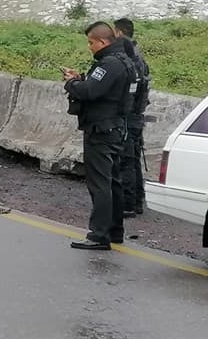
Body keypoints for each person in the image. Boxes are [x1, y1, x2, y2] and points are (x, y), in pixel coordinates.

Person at [62, 21, 137, 250]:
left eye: (91, 42)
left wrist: (71, 82)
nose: (89, 47)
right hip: (116, 129)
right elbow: (103, 89)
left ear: (103, 42)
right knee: (113, 181)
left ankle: (98, 235)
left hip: (101, 132)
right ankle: (114, 231)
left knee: (100, 183)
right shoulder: (126, 62)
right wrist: (82, 78)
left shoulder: (109, 64)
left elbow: (90, 91)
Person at [113, 18, 151, 217]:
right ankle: (136, 201)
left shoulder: (127, 57)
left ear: (118, 33)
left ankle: (128, 204)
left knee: (126, 160)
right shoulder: (139, 56)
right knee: (133, 159)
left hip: (128, 115)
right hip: (137, 115)